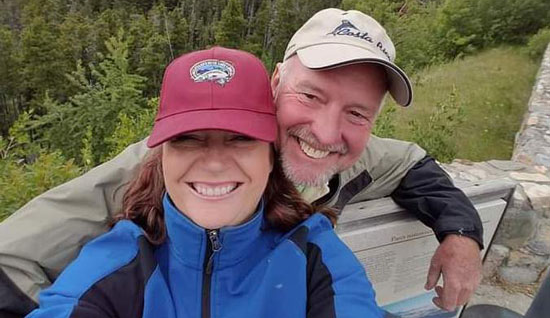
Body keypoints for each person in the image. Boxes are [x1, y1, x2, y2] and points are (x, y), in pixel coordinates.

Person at [0, 9, 482, 317]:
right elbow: (17, 257)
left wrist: (461, 235)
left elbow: (415, 167)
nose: (326, 132)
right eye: (310, 95)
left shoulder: (329, 218)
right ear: (275, 83)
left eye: (357, 113)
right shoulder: (160, 166)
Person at [26, 47, 386, 317]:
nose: (214, 162)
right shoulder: (116, 265)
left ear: (270, 153)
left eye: (241, 138)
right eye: (188, 138)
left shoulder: (312, 255)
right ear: (162, 155)